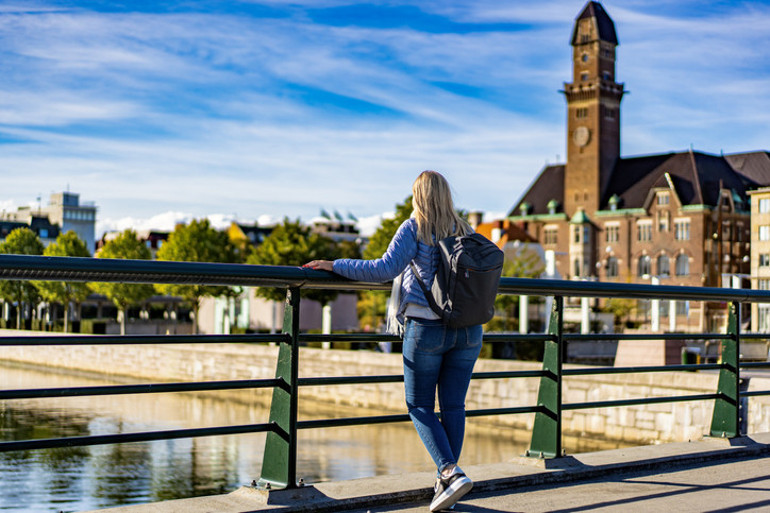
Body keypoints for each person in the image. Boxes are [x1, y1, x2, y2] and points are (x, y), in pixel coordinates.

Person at [305, 170, 482, 512]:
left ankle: (449, 471)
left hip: (426, 328)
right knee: (454, 407)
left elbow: (382, 269)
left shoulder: (415, 227)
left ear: (417, 196)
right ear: (447, 195)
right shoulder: (467, 231)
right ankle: (447, 482)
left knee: (419, 406)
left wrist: (333, 264)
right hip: (469, 331)